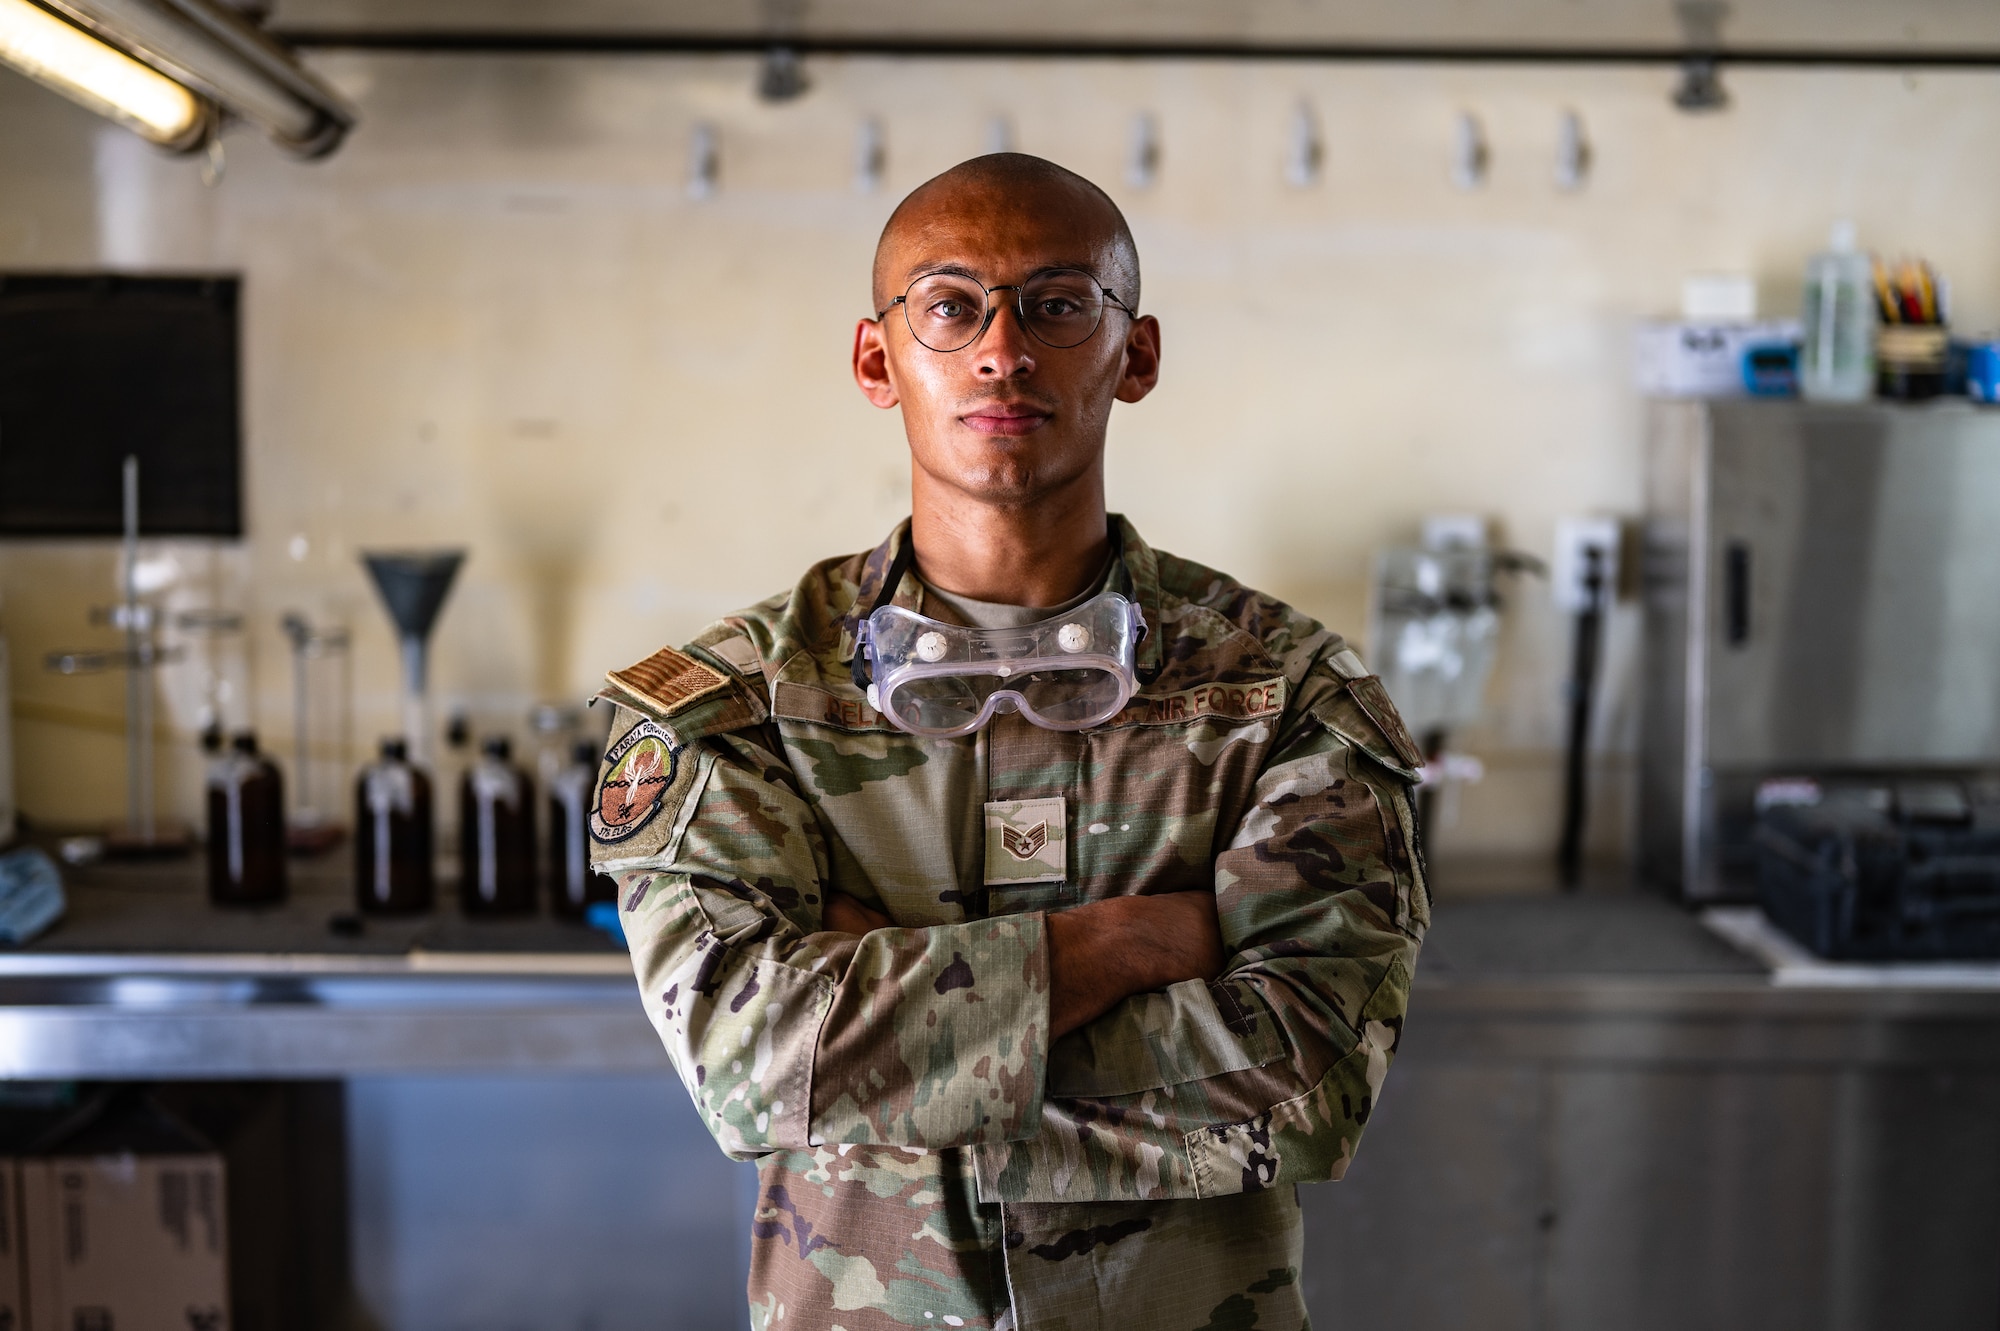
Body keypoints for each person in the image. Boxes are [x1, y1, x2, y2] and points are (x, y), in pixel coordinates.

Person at [590, 152, 1427, 1331]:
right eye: (948, 305)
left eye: (1056, 303)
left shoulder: (1281, 694)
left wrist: (892, 1021)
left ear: (1131, 354)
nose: (1001, 349)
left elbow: (1307, 1082)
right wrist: (1135, 939)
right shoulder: (739, 707)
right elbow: (754, 1065)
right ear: (878, 360)